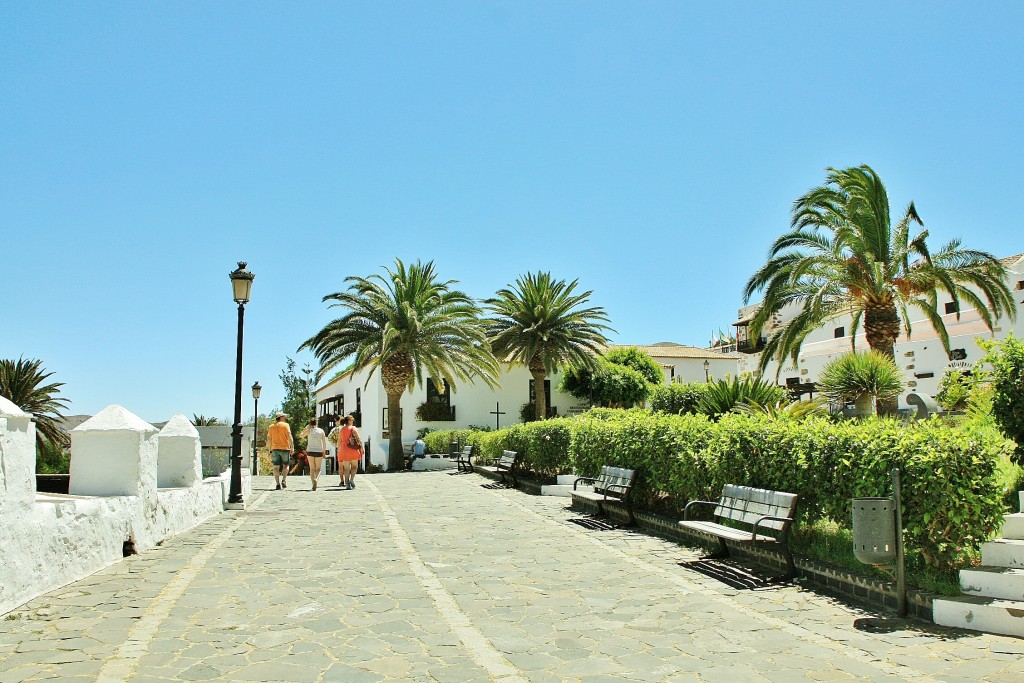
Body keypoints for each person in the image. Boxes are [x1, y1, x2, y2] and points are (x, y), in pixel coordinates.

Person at [267, 412, 294, 490]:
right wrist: (292, 447)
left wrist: (269, 448)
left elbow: (269, 438)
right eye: (284, 417)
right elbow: (289, 436)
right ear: (281, 417)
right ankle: (284, 480)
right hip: (285, 448)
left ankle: (277, 484)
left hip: (275, 449)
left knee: (276, 466)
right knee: (286, 465)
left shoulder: (271, 427)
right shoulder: (286, 425)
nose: (285, 418)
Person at [300, 418, 328, 490]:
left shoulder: (309, 431)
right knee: (318, 469)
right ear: (317, 423)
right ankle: (316, 479)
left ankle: (313, 483)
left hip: (310, 451)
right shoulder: (321, 431)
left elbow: (301, 436)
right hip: (319, 451)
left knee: (312, 468)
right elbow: (324, 443)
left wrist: (305, 428)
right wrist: (324, 452)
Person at [337, 414, 363, 489]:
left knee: (346, 468)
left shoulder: (341, 430)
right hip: (353, 449)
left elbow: (339, 441)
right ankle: (352, 479)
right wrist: (361, 448)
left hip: (343, 450)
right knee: (354, 466)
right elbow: (358, 439)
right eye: (352, 420)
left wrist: (339, 451)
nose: (353, 421)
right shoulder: (353, 428)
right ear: (349, 421)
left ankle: (347, 484)